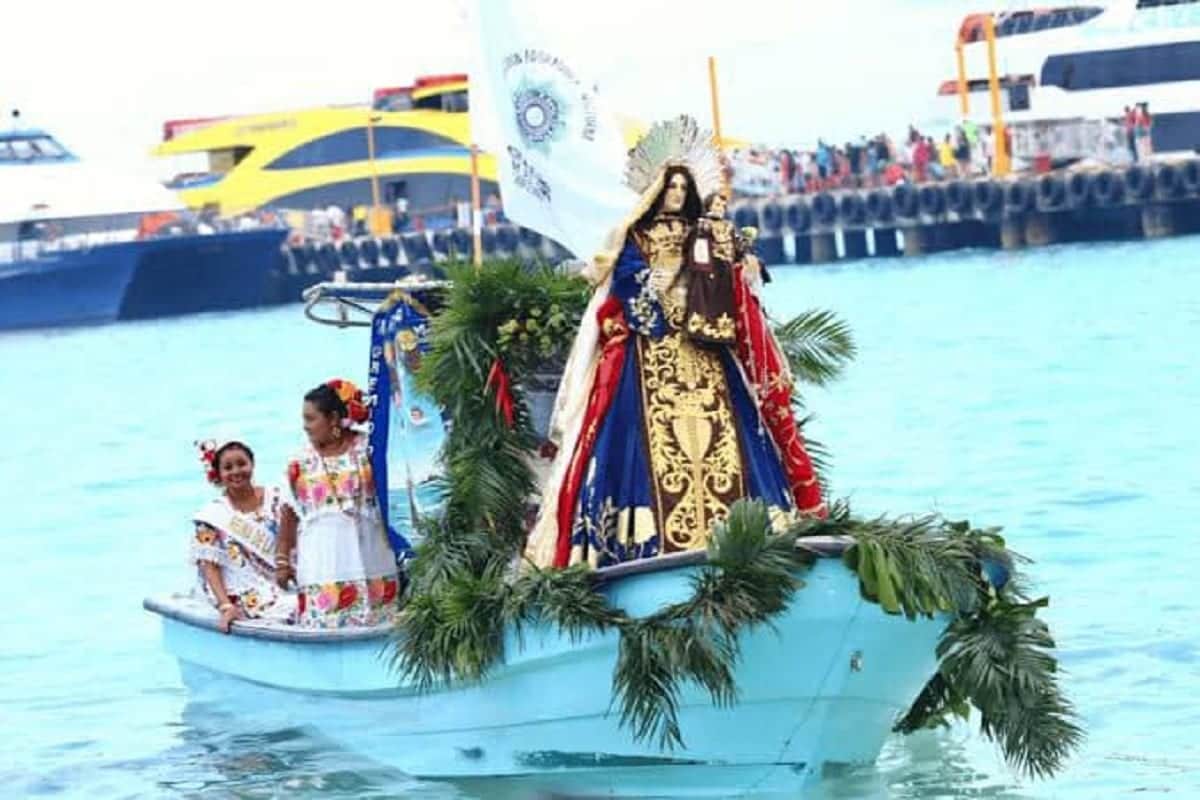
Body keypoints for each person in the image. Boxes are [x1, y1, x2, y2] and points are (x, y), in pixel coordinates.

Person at [524, 116, 824, 570]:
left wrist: (733, 266)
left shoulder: (704, 234)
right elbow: (624, 284)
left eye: (685, 189)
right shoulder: (635, 236)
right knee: (639, 442)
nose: (678, 196)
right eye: (672, 188)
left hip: (704, 347)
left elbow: (726, 278)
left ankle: (745, 528)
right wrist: (655, 287)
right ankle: (642, 543)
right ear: (656, 192)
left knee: (731, 435)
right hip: (651, 352)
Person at [284, 379, 401, 628]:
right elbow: (289, 511)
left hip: (372, 550)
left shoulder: (368, 448)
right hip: (322, 559)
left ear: (333, 418)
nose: (305, 426)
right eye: (304, 419)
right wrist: (282, 562)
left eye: (311, 418)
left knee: (381, 621)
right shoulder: (299, 462)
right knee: (325, 623)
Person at [191, 437, 298, 633]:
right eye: (228, 468)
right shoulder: (212, 515)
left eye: (241, 464)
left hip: (287, 579)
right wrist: (226, 606)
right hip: (245, 590)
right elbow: (209, 566)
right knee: (292, 607)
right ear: (219, 474)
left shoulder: (277, 497)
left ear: (252, 464)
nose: (236, 471)